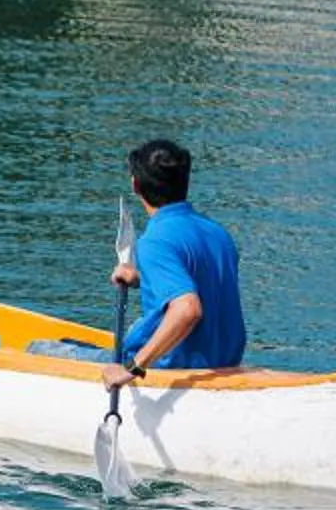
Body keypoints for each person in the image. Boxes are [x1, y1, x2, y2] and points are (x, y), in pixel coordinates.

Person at [104, 136, 247, 390]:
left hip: (171, 368)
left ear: (135, 185)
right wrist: (142, 277)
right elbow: (200, 281)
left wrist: (133, 369)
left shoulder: (155, 242)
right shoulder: (218, 234)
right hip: (224, 365)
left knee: (39, 347)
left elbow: (188, 309)